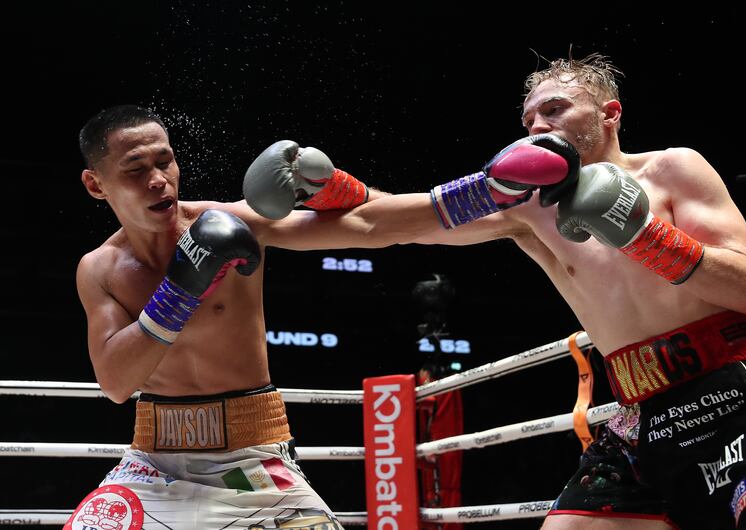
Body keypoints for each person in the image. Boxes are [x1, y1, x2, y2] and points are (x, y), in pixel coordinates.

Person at [65, 104, 576, 529]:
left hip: (254, 458)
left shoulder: (232, 223)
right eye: (135, 170)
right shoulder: (100, 269)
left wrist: (487, 192)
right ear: (96, 184)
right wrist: (183, 287)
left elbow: (370, 225)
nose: (158, 180)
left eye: (166, 161)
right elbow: (115, 382)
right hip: (152, 466)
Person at [406, 54, 746, 529]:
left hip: (735, 388)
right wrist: (330, 194)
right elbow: (377, 222)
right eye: (528, 118)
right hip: (639, 414)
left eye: (554, 110)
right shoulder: (521, 205)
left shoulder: (672, 168)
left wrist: (639, 233)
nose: (537, 126)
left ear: (610, 113)